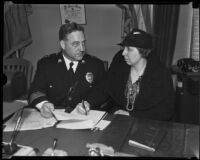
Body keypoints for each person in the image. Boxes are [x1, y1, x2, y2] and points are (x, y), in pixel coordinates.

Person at [77, 28, 175, 121]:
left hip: (147, 124)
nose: (123, 53)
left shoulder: (160, 74)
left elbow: (165, 111)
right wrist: (87, 102)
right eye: (124, 48)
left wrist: (131, 115)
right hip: (119, 122)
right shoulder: (120, 62)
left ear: (143, 52)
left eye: (129, 49)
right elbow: (104, 87)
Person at [28, 22, 106, 118]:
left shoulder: (95, 64)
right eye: (75, 44)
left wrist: (88, 103)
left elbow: (103, 91)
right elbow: (35, 91)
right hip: (54, 118)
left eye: (83, 43)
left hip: (85, 118)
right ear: (63, 44)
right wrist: (43, 105)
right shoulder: (47, 64)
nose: (82, 49)